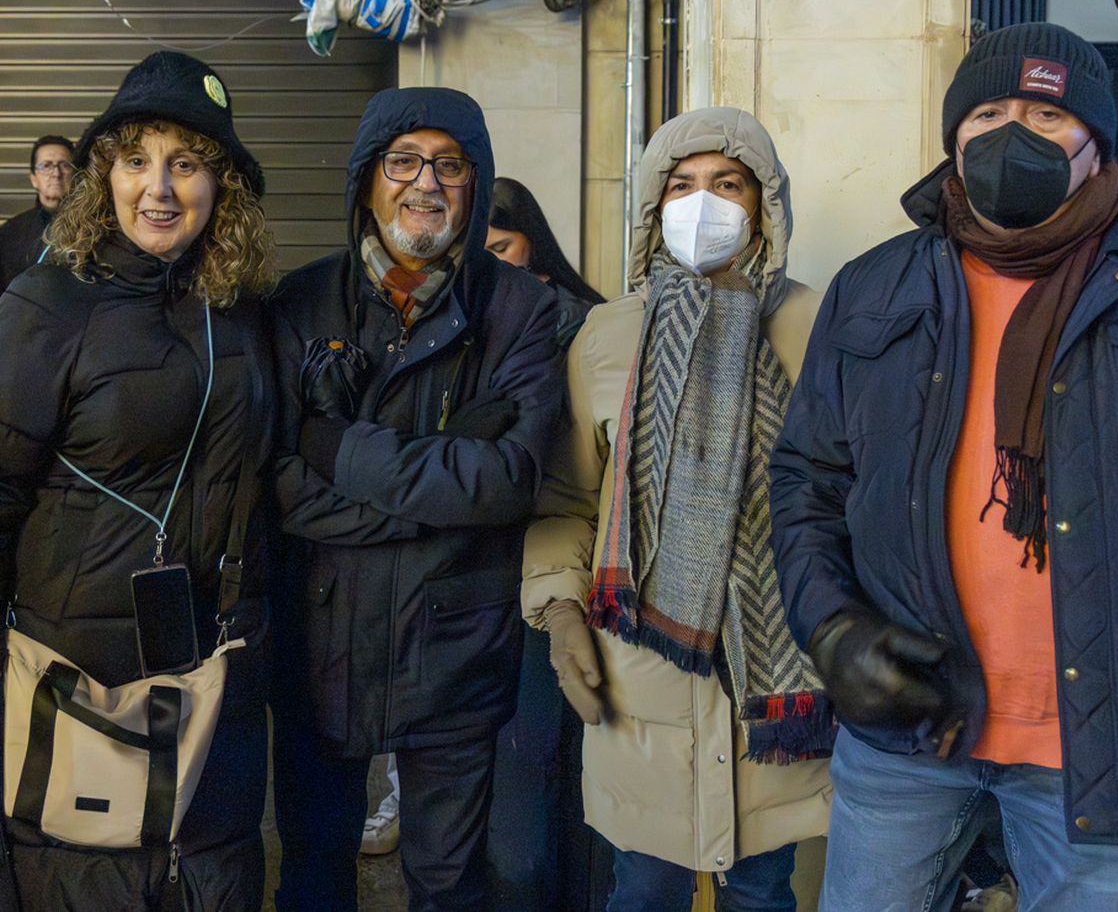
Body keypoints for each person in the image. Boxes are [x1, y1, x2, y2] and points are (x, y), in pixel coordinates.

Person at [770, 22, 1118, 911]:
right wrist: (833, 628)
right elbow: (806, 484)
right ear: (952, 135)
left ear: (1095, 140)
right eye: (987, 112)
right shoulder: (875, 286)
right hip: (908, 735)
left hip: (1103, 753)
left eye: (1044, 113)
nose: (1009, 135)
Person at [0, 51, 278, 910]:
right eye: (136, 160)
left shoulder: (243, 311)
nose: (158, 187)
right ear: (102, 175)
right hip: (73, 694)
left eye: (185, 164)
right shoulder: (46, 306)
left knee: (206, 879)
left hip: (209, 688)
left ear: (221, 188)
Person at [522, 106, 833, 911]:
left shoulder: (815, 325)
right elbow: (569, 494)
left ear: (764, 203)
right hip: (642, 669)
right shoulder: (605, 335)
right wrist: (559, 609)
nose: (705, 204)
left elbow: (847, 494)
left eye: (728, 184)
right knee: (643, 889)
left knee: (763, 890)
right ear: (653, 208)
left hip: (774, 667)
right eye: (683, 185)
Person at [268, 86, 565, 912]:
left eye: (449, 164)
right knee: (314, 871)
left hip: (456, 652)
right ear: (367, 179)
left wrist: (336, 447)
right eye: (402, 161)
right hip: (319, 640)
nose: (423, 182)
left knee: (450, 884)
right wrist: (443, 474)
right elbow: (280, 486)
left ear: (476, 185)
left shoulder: (520, 309)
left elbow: (508, 481)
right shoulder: (298, 302)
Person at [483, 175, 609, 910]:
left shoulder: (581, 326)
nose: (494, 262)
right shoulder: (467, 322)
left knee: (558, 776)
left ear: (534, 241)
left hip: (564, 574)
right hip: (500, 580)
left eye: (504, 245)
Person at [487, 176, 605, 349]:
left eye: (501, 248)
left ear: (531, 237)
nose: (493, 261)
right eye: (483, 253)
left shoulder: (569, 314)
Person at [0, 134, 74, 303]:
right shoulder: (12, 231)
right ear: (33, 179)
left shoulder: (91, 228)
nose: (56, 173)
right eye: (46, 166)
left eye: (65, 165)